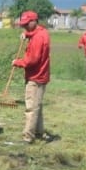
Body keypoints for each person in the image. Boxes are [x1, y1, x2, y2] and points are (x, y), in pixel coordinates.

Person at [12, 9, 53, 142]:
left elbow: (32, 60)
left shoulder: (38, 39)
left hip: (36, 77)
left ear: (34, 21)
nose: (24, 26)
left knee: (31, 108)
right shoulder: (42, 32)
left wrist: (17, 62)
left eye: (26, 24)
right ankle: (39, 132)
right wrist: (26, 34)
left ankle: (28, 136)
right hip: (41, 76)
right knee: (37, 106)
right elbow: (32, 33)